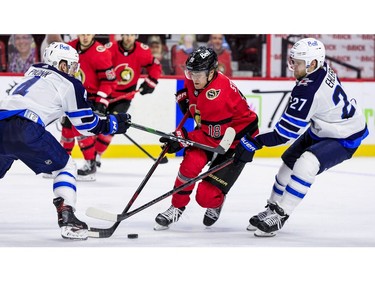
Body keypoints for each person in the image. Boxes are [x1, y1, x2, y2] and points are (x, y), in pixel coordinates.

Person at [234, 37, 369, 237]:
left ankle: (281, 214)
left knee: (306, 163)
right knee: (288, 162)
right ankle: (272, 207)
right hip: (323, 128)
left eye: (297, 63)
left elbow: (284, 134)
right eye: (293, 60)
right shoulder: (321, 69)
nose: (292, 66)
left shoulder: (307, 90)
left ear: (313, 63)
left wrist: (254, 142)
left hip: (345, 135)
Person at [0, 42, 131, 240]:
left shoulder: (33, 72)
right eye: (70, 65)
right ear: (60, 65)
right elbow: (86, 126)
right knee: (66, 166)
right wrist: (113, 124)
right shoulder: (69, 84)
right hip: (25, 127)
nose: (73, 70)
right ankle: (68, 218)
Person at [154, 46, 259, 230]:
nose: (193, 78)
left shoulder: (216, 97)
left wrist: (181, 138)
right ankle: (176, 207)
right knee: (190, 165)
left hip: (237, 142)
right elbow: (191, 98)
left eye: (198, 74)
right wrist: (185, 98)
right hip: (213, 131)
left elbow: (212, 139)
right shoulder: (198, 80)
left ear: (211, 73)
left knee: (205, 197)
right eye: (190, 73)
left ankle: (217, 201)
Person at [95, 34, 162, 164]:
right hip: (105, 93)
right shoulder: (110, 48)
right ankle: (91, 155)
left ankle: (96, 155)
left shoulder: (142, 50)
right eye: (126, 34)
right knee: (96, 123)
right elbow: (96, 66)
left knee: (111, 126)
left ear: (135, 36)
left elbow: (155, 65)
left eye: (131, 35)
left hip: (124, 96)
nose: (128, 38)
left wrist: (151, 82)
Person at [59, 34, 117, 181]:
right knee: (66, 128)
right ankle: (61, 164)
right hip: (70, 94)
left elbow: (109, 81)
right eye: (82, 32)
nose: (85, 36)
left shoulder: (101, 52)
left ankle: (90, 165)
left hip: (89, 97)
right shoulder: (68, 47)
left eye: (88, 33)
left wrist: (100, 102)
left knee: (82, 130)